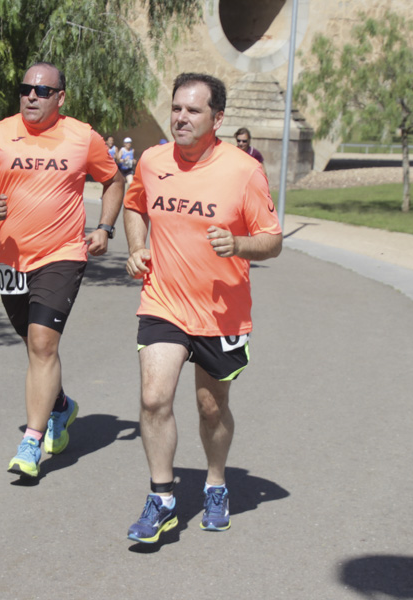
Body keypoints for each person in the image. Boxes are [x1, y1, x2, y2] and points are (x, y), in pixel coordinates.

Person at [121, 73, 282, 543]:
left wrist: (238, 243)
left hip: (220, 312)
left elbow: (271, 241)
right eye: (176, 108)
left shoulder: (243, 170)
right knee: (154, 398)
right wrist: (137, 246)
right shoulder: (152, 161)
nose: (181, 118)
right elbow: (135, 206)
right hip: (163, 301)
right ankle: (162, 497)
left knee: (211, 407)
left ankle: (215, 483)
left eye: (193, 110)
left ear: (218, 118)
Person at [0, 62, 125, 479]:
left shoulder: (82, 137)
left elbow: (113, 180)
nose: (31, 97)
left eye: (42, 91)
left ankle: (31, 443)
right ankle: (60, 406)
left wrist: (105, 227)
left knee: (42, 344)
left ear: (60, 98)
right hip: (11, 258)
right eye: (25, 89)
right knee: (30, 341)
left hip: (62, 254)